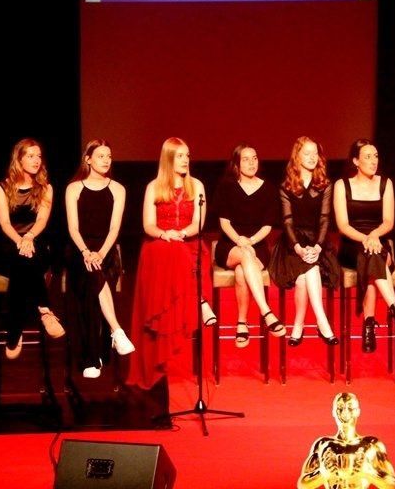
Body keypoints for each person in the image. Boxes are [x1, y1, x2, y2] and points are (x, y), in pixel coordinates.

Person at [125, 137, 217, 390]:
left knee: (182, 253)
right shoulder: (153, 187)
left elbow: (199, 222)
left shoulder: (196, 185)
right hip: (159, 245)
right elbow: (148, 225)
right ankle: (200, 301)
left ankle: (198, 302)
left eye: (187, 155)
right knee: (173, 252)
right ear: (168, 159)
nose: (185, 160)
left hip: (189, 242)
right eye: (180, 156)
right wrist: (166, 234)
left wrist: (182, 233)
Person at [64, 139, 135, 380]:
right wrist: (86, 252)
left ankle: (93, 358)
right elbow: (73, 228)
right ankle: (116, 331)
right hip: (80, 249)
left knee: (96, 273)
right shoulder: (74, 188)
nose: (106, 160)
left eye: (109, 156)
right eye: (101, 156)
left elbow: (114, 228)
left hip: (106, 250)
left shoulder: (118, 189)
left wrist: (101, 253)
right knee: (91, 274)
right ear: (88, 159)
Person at [333, 139, 395, 353]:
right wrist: (366, 239)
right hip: (352, 244)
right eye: (367, 157)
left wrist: (374, 235)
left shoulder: (386, 183)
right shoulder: (342, 185)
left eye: (375, 156)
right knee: (372, 256)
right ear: (356, 161)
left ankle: (369, 324)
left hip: (378, 241)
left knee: (373, 257)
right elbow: (343, 225)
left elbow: (388, 221)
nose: (373, 161)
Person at [0, 138, 64, 360]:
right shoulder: (2, 187)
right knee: (22, 259)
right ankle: (44, 309)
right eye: (30, 156)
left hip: (36, 242)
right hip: (9, 243)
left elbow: (41, 220)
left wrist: (30, 236)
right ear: (19, 159)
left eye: (39, 156)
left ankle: (14, 330)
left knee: (28, 259)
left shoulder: (46, 188)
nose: (36, 160)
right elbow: (5, 223)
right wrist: (20, 240)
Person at [268, 137, 340, 346]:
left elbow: (325, 219)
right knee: (307, 271)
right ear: (297, 156)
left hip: (318, 241)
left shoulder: (325, 185)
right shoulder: (286, 186)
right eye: (307, 153)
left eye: (315, 153)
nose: (312, 157)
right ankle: (322, 321)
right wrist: (298, 248)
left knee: (308, 271)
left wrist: (317, 247)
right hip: (292, 243)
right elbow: (287, 221)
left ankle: (298, 324)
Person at [214, 144, 285, 348]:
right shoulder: (226, 186)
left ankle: (242, 323)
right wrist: (240, 241)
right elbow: (224, 223)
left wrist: (251, 241)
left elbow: (267, 226)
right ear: (236, 163)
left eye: (254, 158)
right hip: (230, 245)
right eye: (245, 159)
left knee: (241, 272)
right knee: (245, 255)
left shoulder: (268, 189)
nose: (251, 162)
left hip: (257, 247)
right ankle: (266, 311)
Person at [297, 392, 395, 489]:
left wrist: (367, 472)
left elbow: (391, 484)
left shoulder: (372, 444)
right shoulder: (322, 444)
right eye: (340, 407)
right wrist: (323, 473)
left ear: (358, 411)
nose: (344, 412)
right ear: (333, 412)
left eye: (350, 408)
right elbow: (302, 485)